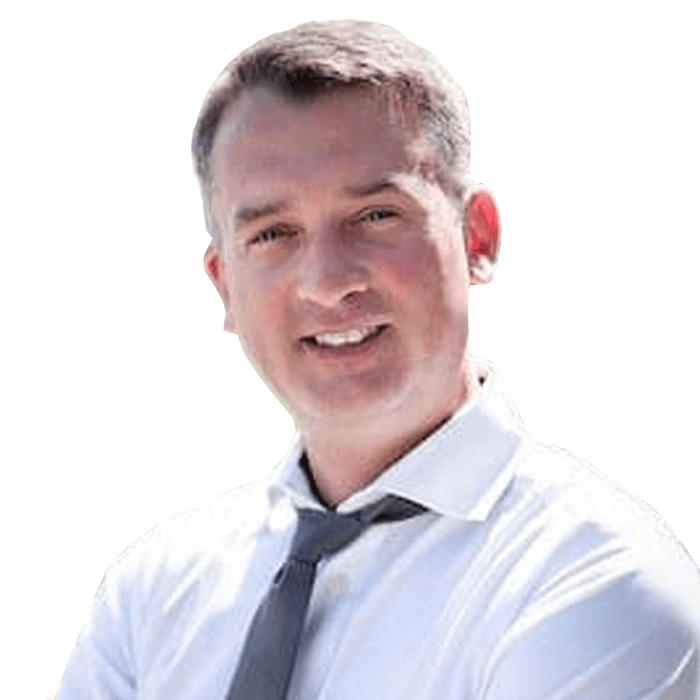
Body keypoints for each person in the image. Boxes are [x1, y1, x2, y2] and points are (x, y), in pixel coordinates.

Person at [54, 19, 700, 700]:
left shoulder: (598, 587)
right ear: (225, 286)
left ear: (476, 237)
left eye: (376, 216)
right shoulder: (147, 599)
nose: (329, 281)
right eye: (274, 233)